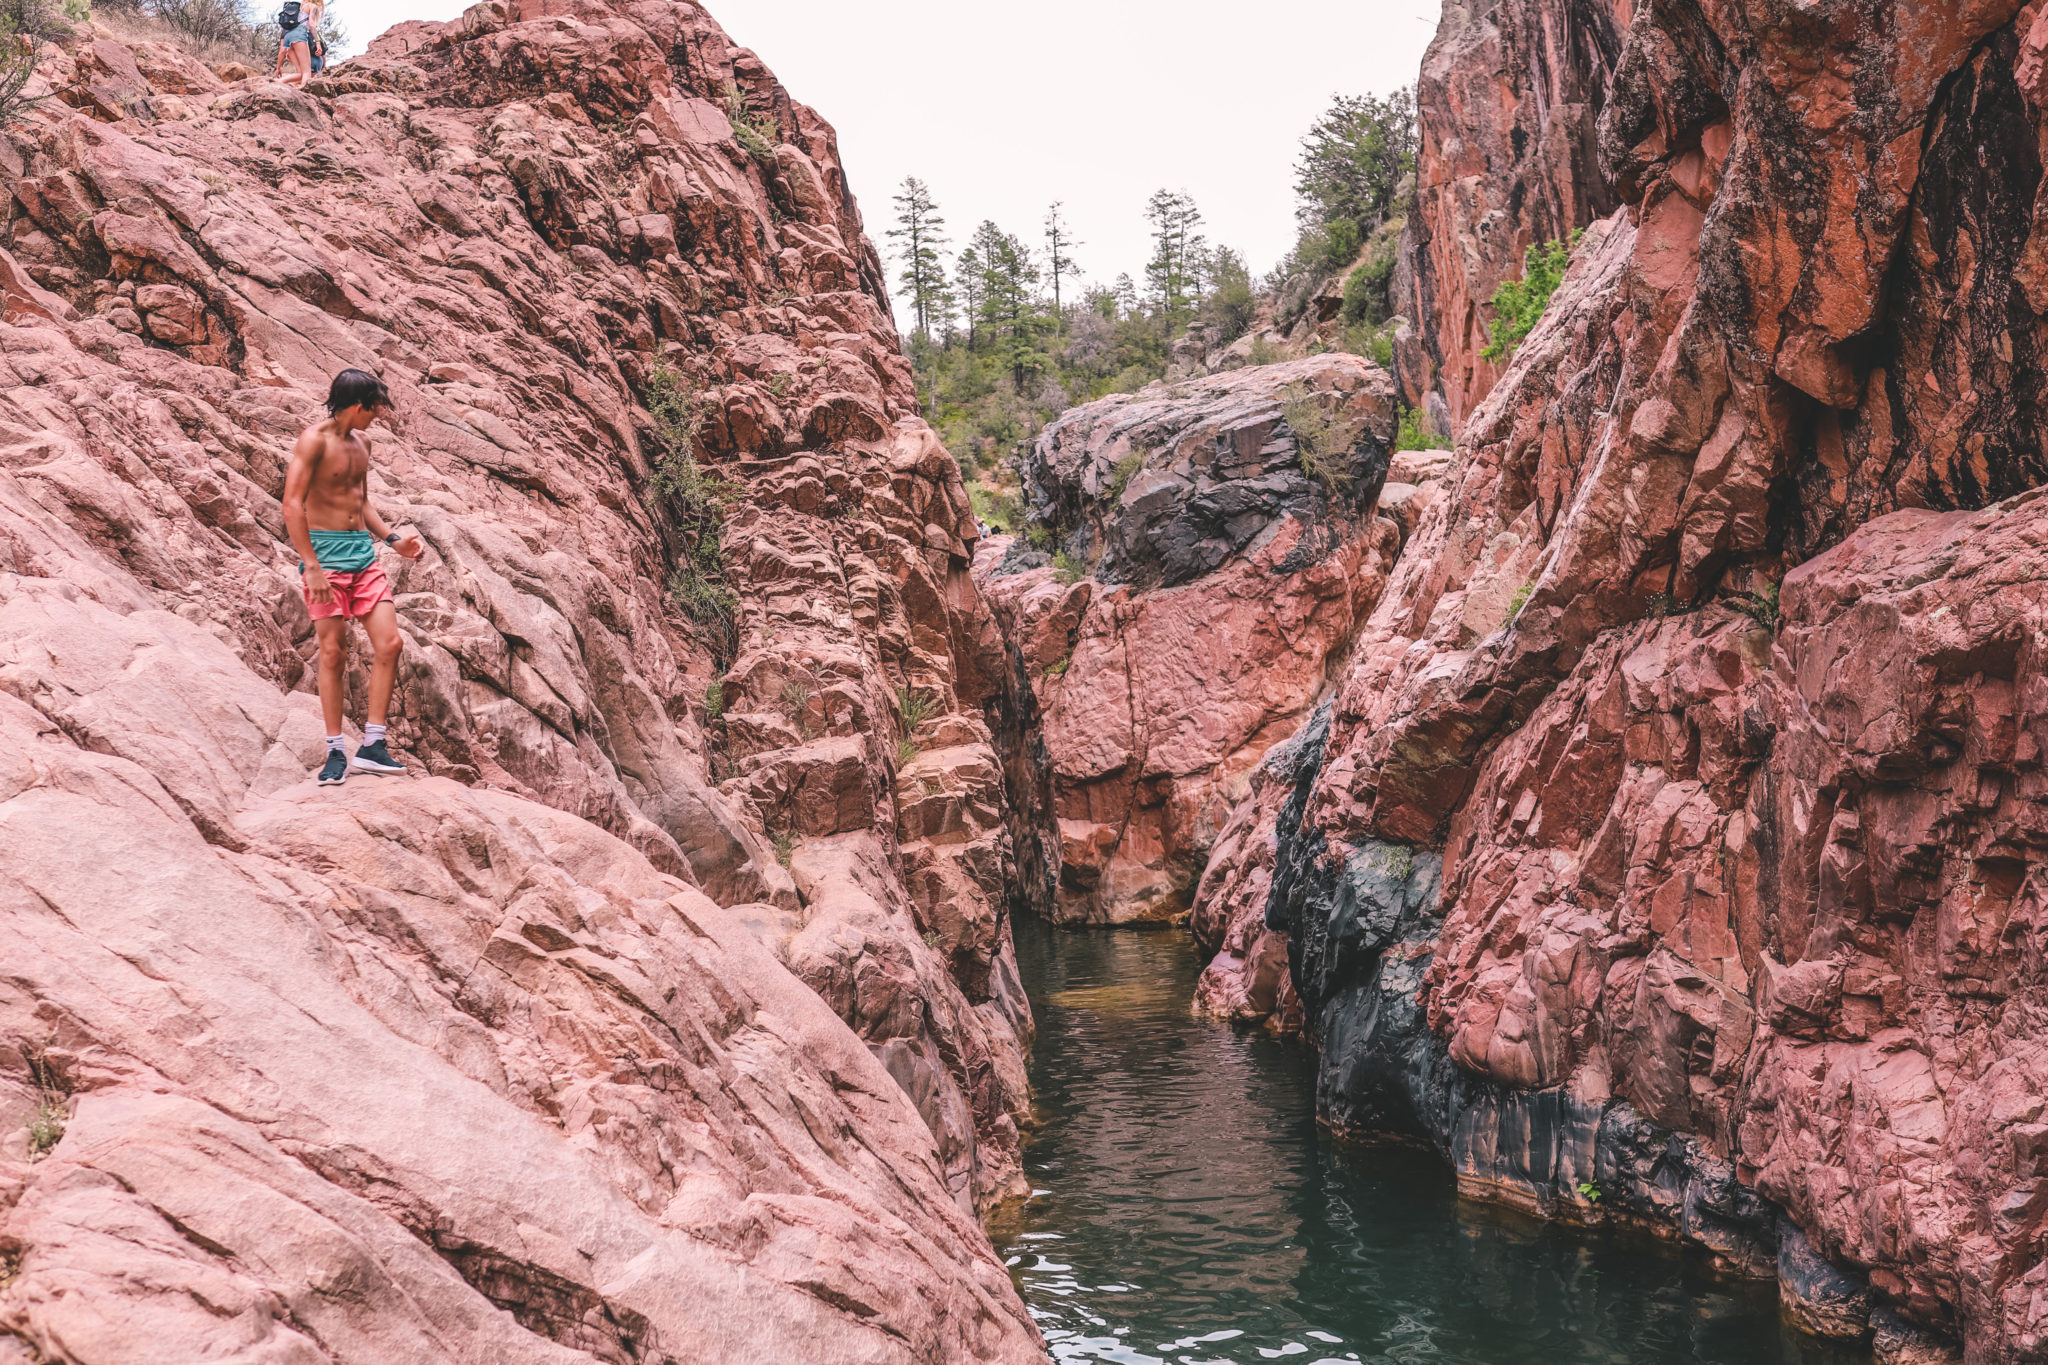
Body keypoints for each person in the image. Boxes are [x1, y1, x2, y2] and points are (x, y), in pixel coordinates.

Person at [281, 369, 423, 786]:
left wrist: (393, 539)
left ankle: (373, 746)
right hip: (324, 558)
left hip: (362, 555)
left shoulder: (363, 442)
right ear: (358, 405)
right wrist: (311, 565)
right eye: (375, 409)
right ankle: (335, 750)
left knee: (390, 643)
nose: (377, 416)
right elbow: (292, 504)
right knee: (333, 653)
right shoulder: (314, 441)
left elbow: (361, 502)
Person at [272, 0, 322, 86]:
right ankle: (304, 93)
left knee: (301, 73)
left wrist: (278, 67)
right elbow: (311, 24)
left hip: (288, 35)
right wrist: (317, 42)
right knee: (307, 71)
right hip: (299, 35)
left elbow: (282, 50)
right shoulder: (312, 6)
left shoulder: (300, 7)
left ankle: (274, 83)